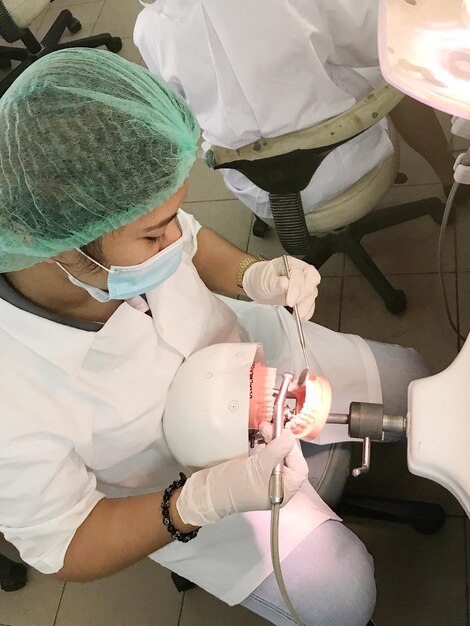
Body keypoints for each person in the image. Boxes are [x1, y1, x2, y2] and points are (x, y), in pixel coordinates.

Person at [0, 49, 428, 626]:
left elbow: (193, 242)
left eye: (174, 217)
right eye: (156, 235)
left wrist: (255, 275)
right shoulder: (13, 390)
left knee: (419, 385)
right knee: (341, 601)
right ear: (62, 246)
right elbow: (67, 544)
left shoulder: (122, 226)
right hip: (190, 481)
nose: (175, 240)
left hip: (258, 353)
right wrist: (195, 503)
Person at [134, 0, 456, 220]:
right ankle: (448, 174)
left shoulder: (149, 28)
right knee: (390, 68)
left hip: (258, 185)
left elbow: (179, 114)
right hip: (350, 155)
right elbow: (377, 36)